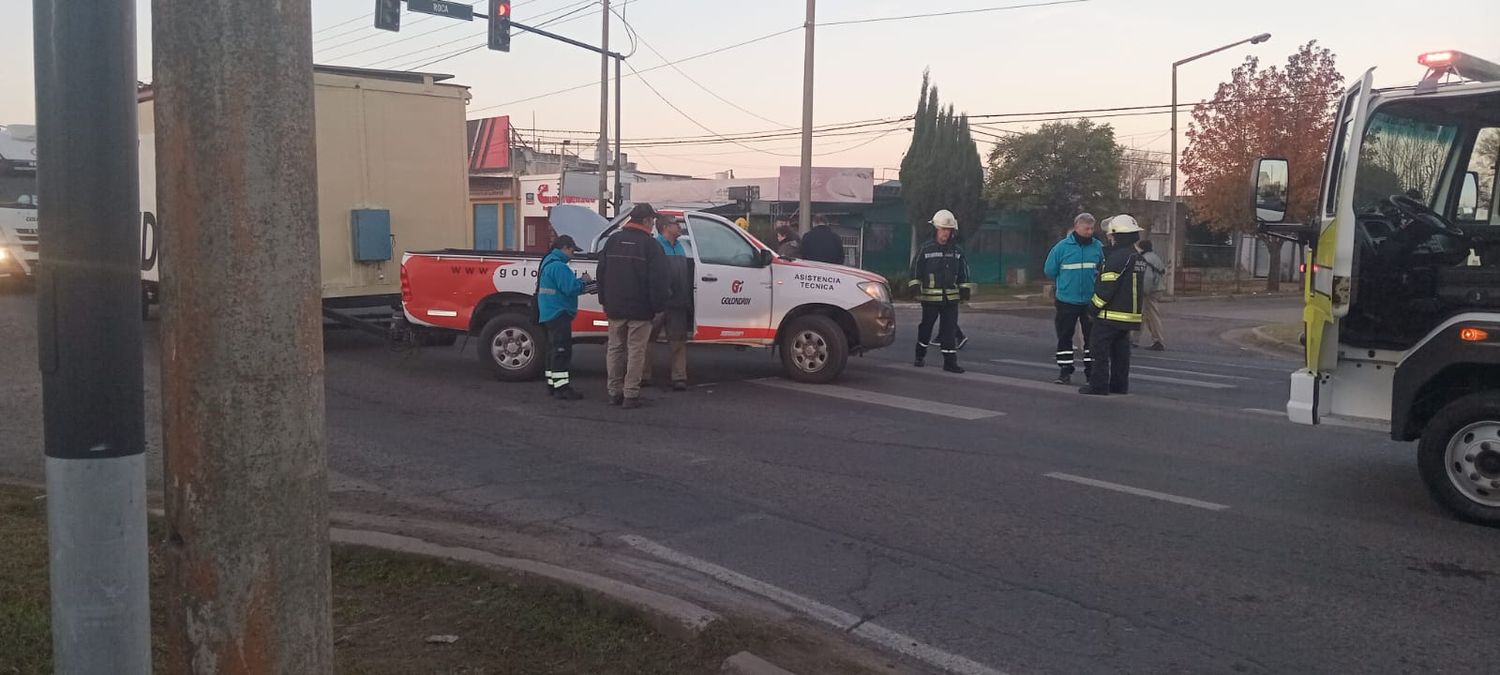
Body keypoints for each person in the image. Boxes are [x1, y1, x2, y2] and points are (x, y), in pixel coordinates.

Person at [597, 203, 671, 409]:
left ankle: (613, 392)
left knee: (615, 349)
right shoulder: (651, 246)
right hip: (640, 310)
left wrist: (604, 300)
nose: (654, 224)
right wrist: (658, 306)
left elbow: (600, 274)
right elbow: (659, 280)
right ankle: (630, 394)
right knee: (636, 351)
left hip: (615, 308)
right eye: (653, 220)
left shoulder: (612, 241)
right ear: (647, 221)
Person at [1080, 214, 1147, 396]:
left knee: (1098, 349)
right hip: (1129, 316)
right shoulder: (1138, 257)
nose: (1109, 238)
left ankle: (1098, 385)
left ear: (1118, 235)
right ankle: (1119, 386)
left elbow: (1106, 288)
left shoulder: (1118, 257)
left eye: (1111, 235)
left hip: (1110, 315)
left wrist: (1092, 308)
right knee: (1120, 353)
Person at [907, 209, 975, 373]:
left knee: (949, 330)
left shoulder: (957, 251)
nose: (946, 233)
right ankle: (919, 355)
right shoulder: (926, 249)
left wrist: (965, 289)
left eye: (948, 230)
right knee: (926, 328)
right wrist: (915, 286)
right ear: (936, 229)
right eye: (943, 229)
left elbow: (964, 272)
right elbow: (915, 269)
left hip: (950, 299)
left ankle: (950, 362)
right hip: (930, 299)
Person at [1043, 213, 1104, 385]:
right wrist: (1064, 284)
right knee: (1065, 336)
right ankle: (1065, 371)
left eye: (1092, 228)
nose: (1090, 232)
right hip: (1066, 300)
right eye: (1087, 228)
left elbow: (1103, 268)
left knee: (1091, 338)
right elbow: (1050, 270)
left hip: (1090, 301)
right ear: (1077, 227)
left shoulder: (1098, 247)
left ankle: (1091, 373)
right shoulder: (1062, 248)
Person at [537, 235, 592, 401]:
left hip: (548, 312)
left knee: (552, 350)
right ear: (565, 248)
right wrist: (583, 281)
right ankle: (562, 388)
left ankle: (552, 384)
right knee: (561, 351)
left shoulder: (547, 262)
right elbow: (570, 288)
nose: (573, 254)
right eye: (572, 250)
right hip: (559, 312)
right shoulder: (559, 267)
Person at [645, 215, 692, 391]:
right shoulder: (655, 246)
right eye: (675, 224)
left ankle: (679, 377)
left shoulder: (680, 246)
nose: (679, 227)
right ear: (665, 227)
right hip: (659, 301)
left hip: (677, 301)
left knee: (678, 340)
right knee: (648, 339)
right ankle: (643, 375)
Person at [1134, 239, 1167, 351]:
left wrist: (1143, 291)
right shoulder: (1154, 257)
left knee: (1151, 316)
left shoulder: (1144, 259)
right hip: (1157, 289)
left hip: (1149, 291)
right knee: (1144, 315)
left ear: (1141, 248)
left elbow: (1147, 278)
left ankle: (1157, 340)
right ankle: (1135, 340)